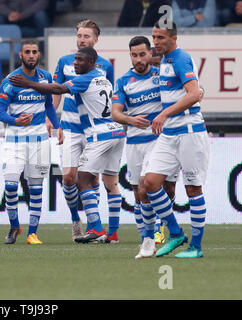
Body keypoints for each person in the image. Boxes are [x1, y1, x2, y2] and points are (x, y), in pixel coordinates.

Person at [10, 47, 126, 245]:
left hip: (100, 134)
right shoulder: (102, 77)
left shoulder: (85, 79)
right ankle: (112, 234)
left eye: (80, 60)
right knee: (110, 182)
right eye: (75, 60)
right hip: (117, 132)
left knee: (82, 179)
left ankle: (96, 229)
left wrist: (29, 83)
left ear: (91, 63)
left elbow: (58, 89)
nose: (75, 64)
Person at [143, 21, 210, 258]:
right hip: (170, 133)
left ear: (174, 38)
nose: (156, 42)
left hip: (190, 130)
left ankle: (196, 247)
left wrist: (163, 113)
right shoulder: (166, 60)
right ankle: (175, 233)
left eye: (160, 38)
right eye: (154, 37)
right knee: (150, 182)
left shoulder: (180, 58)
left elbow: (194, 93)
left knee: (192, 188)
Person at [111, 36, 181, 255]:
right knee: (139, 193)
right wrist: (132, 120)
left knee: (158, 187)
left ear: (151, 53)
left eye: (143, 54)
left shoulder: (162, 75)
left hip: (161, 140)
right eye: (134, 55)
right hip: (134, 143)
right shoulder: (123, 81)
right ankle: (147, 239)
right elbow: (115, 113)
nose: (139, 59)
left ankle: (159, 230)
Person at [51, 19, 117, 243]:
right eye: (79, 35)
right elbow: (57, 91)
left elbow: (108, 97)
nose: (81, 40)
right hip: (69, 126)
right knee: (69, 177)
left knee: (91, 178)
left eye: (86, 36)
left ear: (96, 40)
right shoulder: (64, 62)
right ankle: (75, 219)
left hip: (93, 130)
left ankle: (94, 226)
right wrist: (52, 119)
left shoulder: (105, 66)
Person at [0, 39, 61, 245]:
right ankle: (14, 225)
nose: (31, 55)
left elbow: (49, 106)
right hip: (14, 141)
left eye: (34, 52)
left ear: (38, 54)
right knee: (10, 185)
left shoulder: (45, 78)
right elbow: (0, 113)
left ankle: (32, 233)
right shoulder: (10, 81)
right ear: (21, 56)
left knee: (36, 188)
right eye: (27, 52)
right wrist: (14, 120)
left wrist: (57, 127)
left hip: (39, 141)